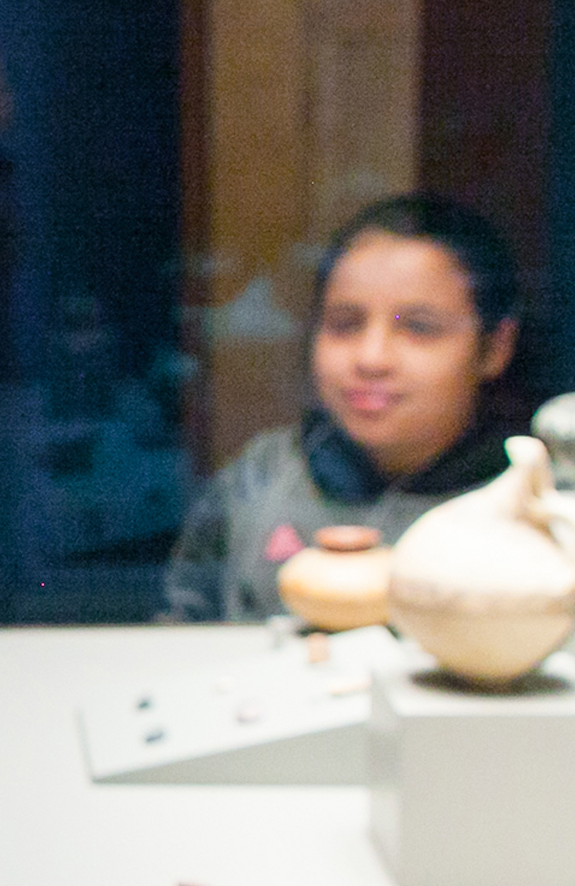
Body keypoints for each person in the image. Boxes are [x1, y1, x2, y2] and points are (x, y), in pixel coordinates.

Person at [162, 193, 527, 623]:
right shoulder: (261, 478)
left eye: (419, 328)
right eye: (344, 324)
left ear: (495, 348)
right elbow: (178, 644)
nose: (371, 359)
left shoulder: (538, 503)